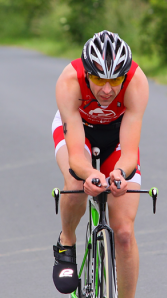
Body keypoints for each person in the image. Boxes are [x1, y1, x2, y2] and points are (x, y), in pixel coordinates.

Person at [52, 30, 149, 297]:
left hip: (116, 135)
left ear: (125, 75)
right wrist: (91, 174)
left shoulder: (137, 83)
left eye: (115, 80)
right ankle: (67, 241)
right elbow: (75, 157)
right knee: (75, 182)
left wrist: (119, 173)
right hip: (78, 131)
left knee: (125, 234)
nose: (107, 90)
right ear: (86, 72)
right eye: (97, 79)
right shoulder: (69, 81)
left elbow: (129, 152)